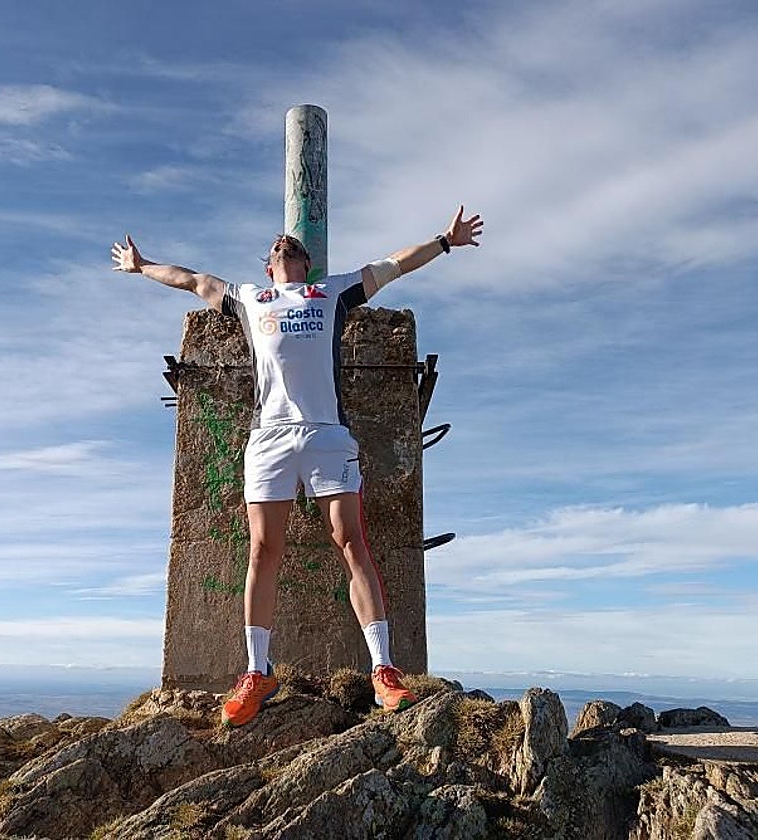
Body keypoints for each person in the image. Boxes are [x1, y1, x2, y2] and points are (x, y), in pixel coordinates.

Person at [112, 206, 483, 726]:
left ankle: (383, 671)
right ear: (269, 266)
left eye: (295, 247)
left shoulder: (332, 292)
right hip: (268, 438)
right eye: (277, 247)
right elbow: (192, 280)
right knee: (263, 549)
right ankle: (256, 671)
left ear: (306, 263)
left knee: (350, 540)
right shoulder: (247, 298)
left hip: (327, 434)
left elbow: (394, 264)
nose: (285, 246)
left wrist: (444, 240)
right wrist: (141, 264)